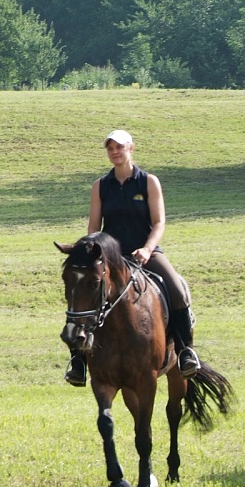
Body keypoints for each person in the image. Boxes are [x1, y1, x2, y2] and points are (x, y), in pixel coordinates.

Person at [65, 129, 201, 387]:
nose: (115, 152)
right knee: (81, 296)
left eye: (120, 147)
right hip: (111, 259)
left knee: (178, 291)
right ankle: (79, 362)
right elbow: (94, 228)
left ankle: (185, 352)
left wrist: (148, 249)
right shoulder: (100, 186)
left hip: (145, 254)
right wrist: (88, 251)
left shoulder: (149, 181)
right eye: (110, 148)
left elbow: (159, 222)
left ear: (131, 148)